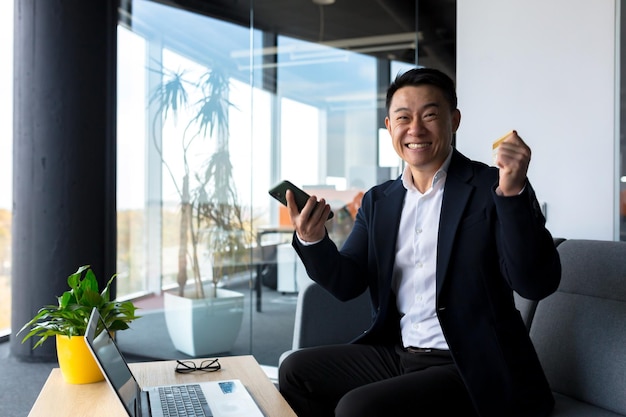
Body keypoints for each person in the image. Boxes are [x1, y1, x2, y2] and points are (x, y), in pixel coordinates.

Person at [278, 67, 561, 417]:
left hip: (472, 364)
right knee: (295, 371)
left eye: (430, 115)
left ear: (454, 120)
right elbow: (346, 282)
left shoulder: (495, 186)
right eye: (403, 118)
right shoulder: (379, 200)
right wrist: (312, 240)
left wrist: (514, 193)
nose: (415, 129)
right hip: (399, 353)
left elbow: (535, 282)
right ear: (389, 127)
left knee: (357, 408)